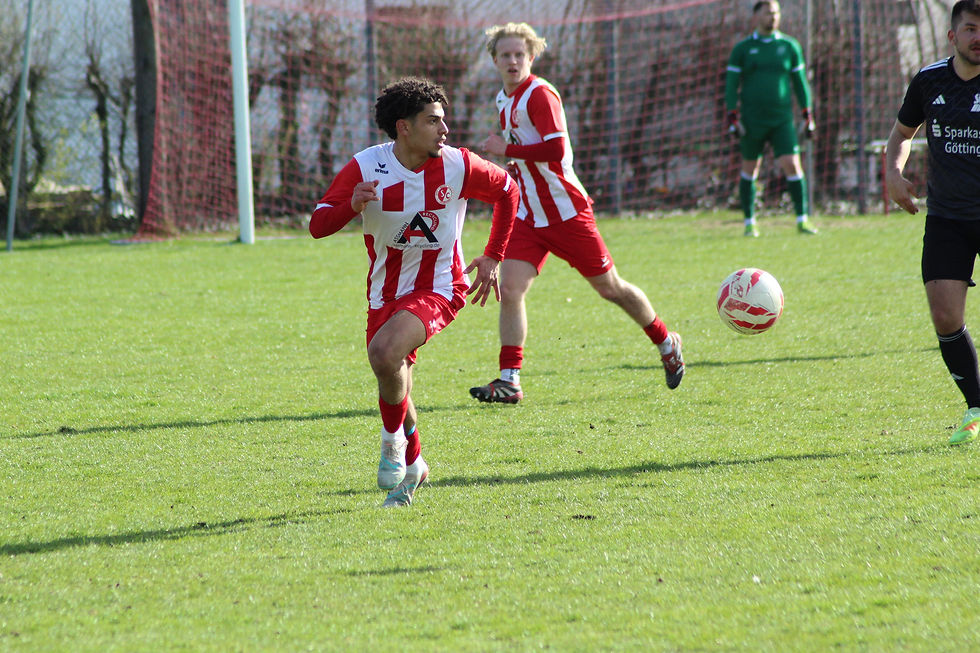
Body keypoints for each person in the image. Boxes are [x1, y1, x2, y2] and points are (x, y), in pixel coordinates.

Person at [310, 77, 519, 505]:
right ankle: (415, 463)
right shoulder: (366, 166)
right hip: (383, 293)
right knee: (392, 371)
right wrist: (351, 205)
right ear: (404, 127)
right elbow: (317, 225)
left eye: (443, 120)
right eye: (433, 121)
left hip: (441, 286)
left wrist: (494, 255)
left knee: (385, 353)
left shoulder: (459, 165)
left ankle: (391, 445)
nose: (445, 130)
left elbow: (508, 191)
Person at [469, 22, 684, 405]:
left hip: (567, 213)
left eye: (520, 54)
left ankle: (666, 342)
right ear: (495, 60)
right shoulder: (504, 98)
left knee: (610, 288)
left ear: (531, 57)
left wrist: (507, 150)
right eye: (505, 55)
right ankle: (509, 380)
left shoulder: (540, 94)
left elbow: (556, 150)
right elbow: (524, 155)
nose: (513, 61)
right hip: (530, 215)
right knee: (512, 289)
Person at [884, 0, 980, 446]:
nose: (979, 38)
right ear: (953, 36)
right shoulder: (929, 80)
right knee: (944, 316)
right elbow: (902, 135)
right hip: (947, 217)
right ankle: (976, 406)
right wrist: (894, 173)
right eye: (971, 29)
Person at [724, 0, 818, 237]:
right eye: (768, 13)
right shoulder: (743, 48)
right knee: (750, 167)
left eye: (776, 13)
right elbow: (731, 85)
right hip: (752, 120)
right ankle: (749, 222)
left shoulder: (789, 46)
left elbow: (800, 83)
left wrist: (807, 114)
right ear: (756, 16)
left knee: (792, 164)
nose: (773, 17)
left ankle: (802, 220)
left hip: (782, 119)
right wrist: (732, 115)